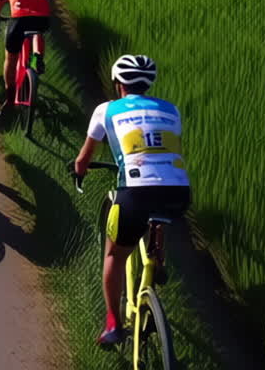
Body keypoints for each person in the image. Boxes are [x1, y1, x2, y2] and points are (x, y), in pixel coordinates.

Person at [73, 55, 191, 347]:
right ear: (148, 83)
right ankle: (157, 258)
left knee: (115, 254)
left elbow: (83, 160)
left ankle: (113, 323)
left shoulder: (106, 110)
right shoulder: (171, 110)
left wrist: (79, 171)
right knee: (158, 207)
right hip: (179, 192)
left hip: (135, 192)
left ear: (118, 84)